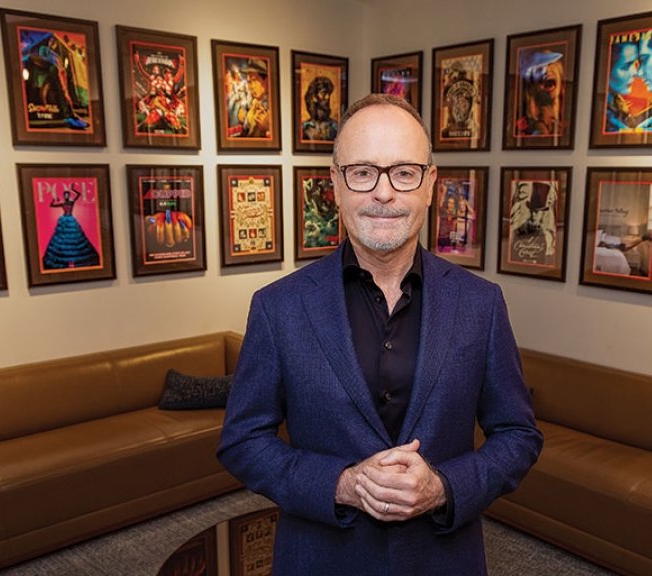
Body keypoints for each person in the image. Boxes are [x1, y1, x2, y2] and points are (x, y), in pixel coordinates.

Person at [218, 93, 543, 575]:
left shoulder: (481, 304)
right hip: (321, 560)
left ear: (430, 185)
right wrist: (341, 484)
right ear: (335, 183)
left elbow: (518, 435)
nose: (384, 193)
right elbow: (243, 441)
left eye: (404, 172)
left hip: (442, 560)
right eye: (363, 171)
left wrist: (444, 486)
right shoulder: (279, 307)